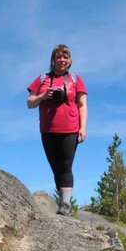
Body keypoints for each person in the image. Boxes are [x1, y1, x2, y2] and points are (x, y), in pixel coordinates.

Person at [27, 45, 87, 215]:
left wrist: (82, 127)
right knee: (55, 167)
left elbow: (82, 105)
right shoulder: (42, 78)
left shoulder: (76, 79)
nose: (62, 60)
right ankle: (63, 202)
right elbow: (29, 103)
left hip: (70, 128)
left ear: (69, 60)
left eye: (65, 57)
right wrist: (42, 96)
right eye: (59, 57)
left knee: (65, 166)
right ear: (53, 59)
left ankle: (66, 205)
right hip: (47, 129)